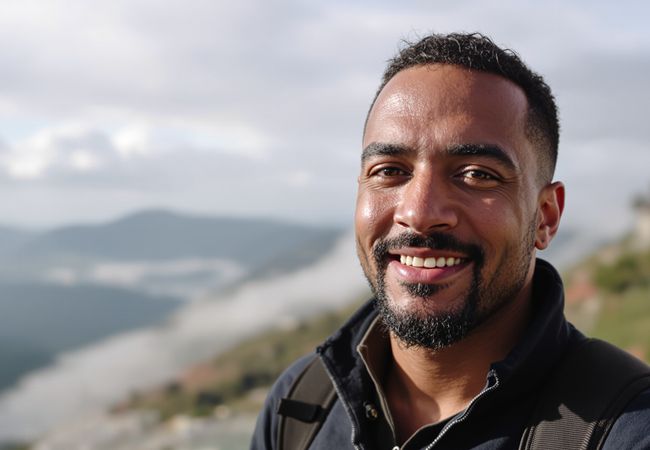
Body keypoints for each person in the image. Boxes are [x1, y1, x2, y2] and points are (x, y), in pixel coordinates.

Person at [250, 32, 650, 449]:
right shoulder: (301, 406)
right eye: (389, 171)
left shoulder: (629, 432)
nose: (419, 212)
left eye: (476, 174)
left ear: (545, 217)